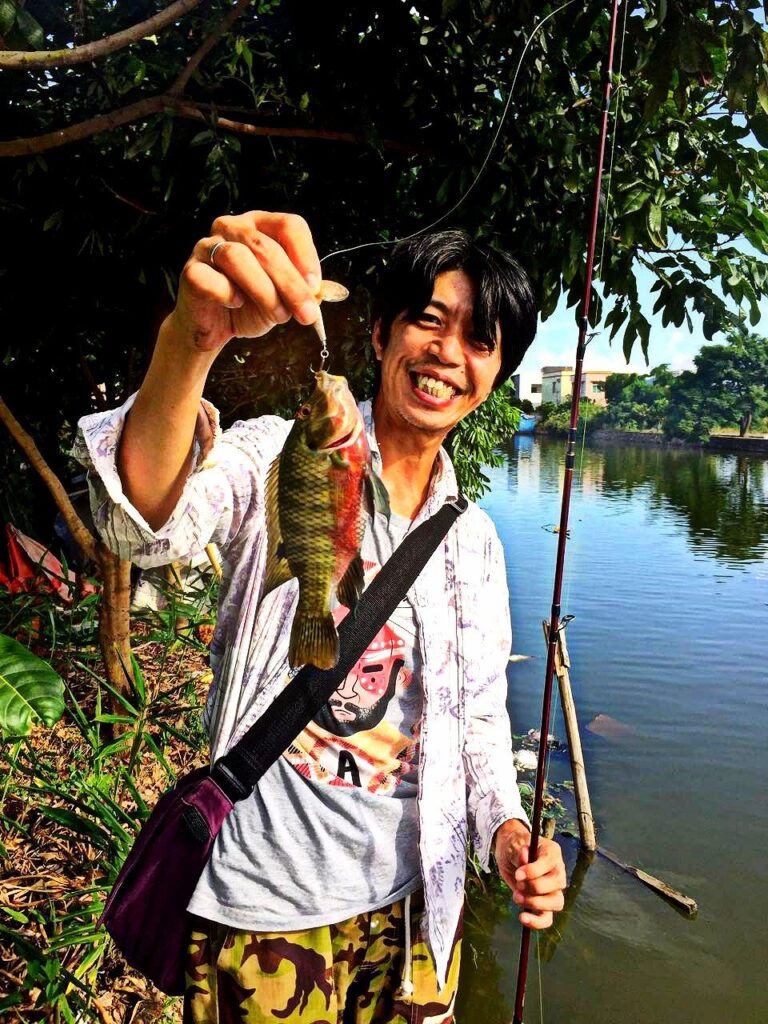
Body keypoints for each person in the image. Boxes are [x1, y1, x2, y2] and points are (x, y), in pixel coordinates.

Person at [74, 211, 566, 1023]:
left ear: (494, 375)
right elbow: (142, 524)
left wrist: (508, 833)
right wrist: (192, 340)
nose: (448, 352)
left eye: (480, 341)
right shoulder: (280, 451)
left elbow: (479, 720)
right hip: (265, 909)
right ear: (379, 334)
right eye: (428, 320)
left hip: (414, 912)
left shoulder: (474, 541)